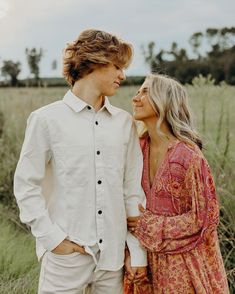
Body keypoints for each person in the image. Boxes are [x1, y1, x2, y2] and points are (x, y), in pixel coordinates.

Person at [14, 29, 147, 294]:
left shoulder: (124, 124)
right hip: (66, 257)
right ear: (94, 62)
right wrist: (53, 239)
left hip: (112, 261)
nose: (123, 75)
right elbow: (25, 186)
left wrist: (136, 251)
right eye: (117, 66)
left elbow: (132, 191)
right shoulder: (46, 120)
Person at [125, 74, 229, 293]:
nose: (136, 98)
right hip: (144, 265)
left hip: (182, 268)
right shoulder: (136, 149)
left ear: (165, 100)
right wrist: (132, 254)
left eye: (145, 91)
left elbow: (205, 218)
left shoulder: (188, 156)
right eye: (137, 91)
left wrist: (149, 225)